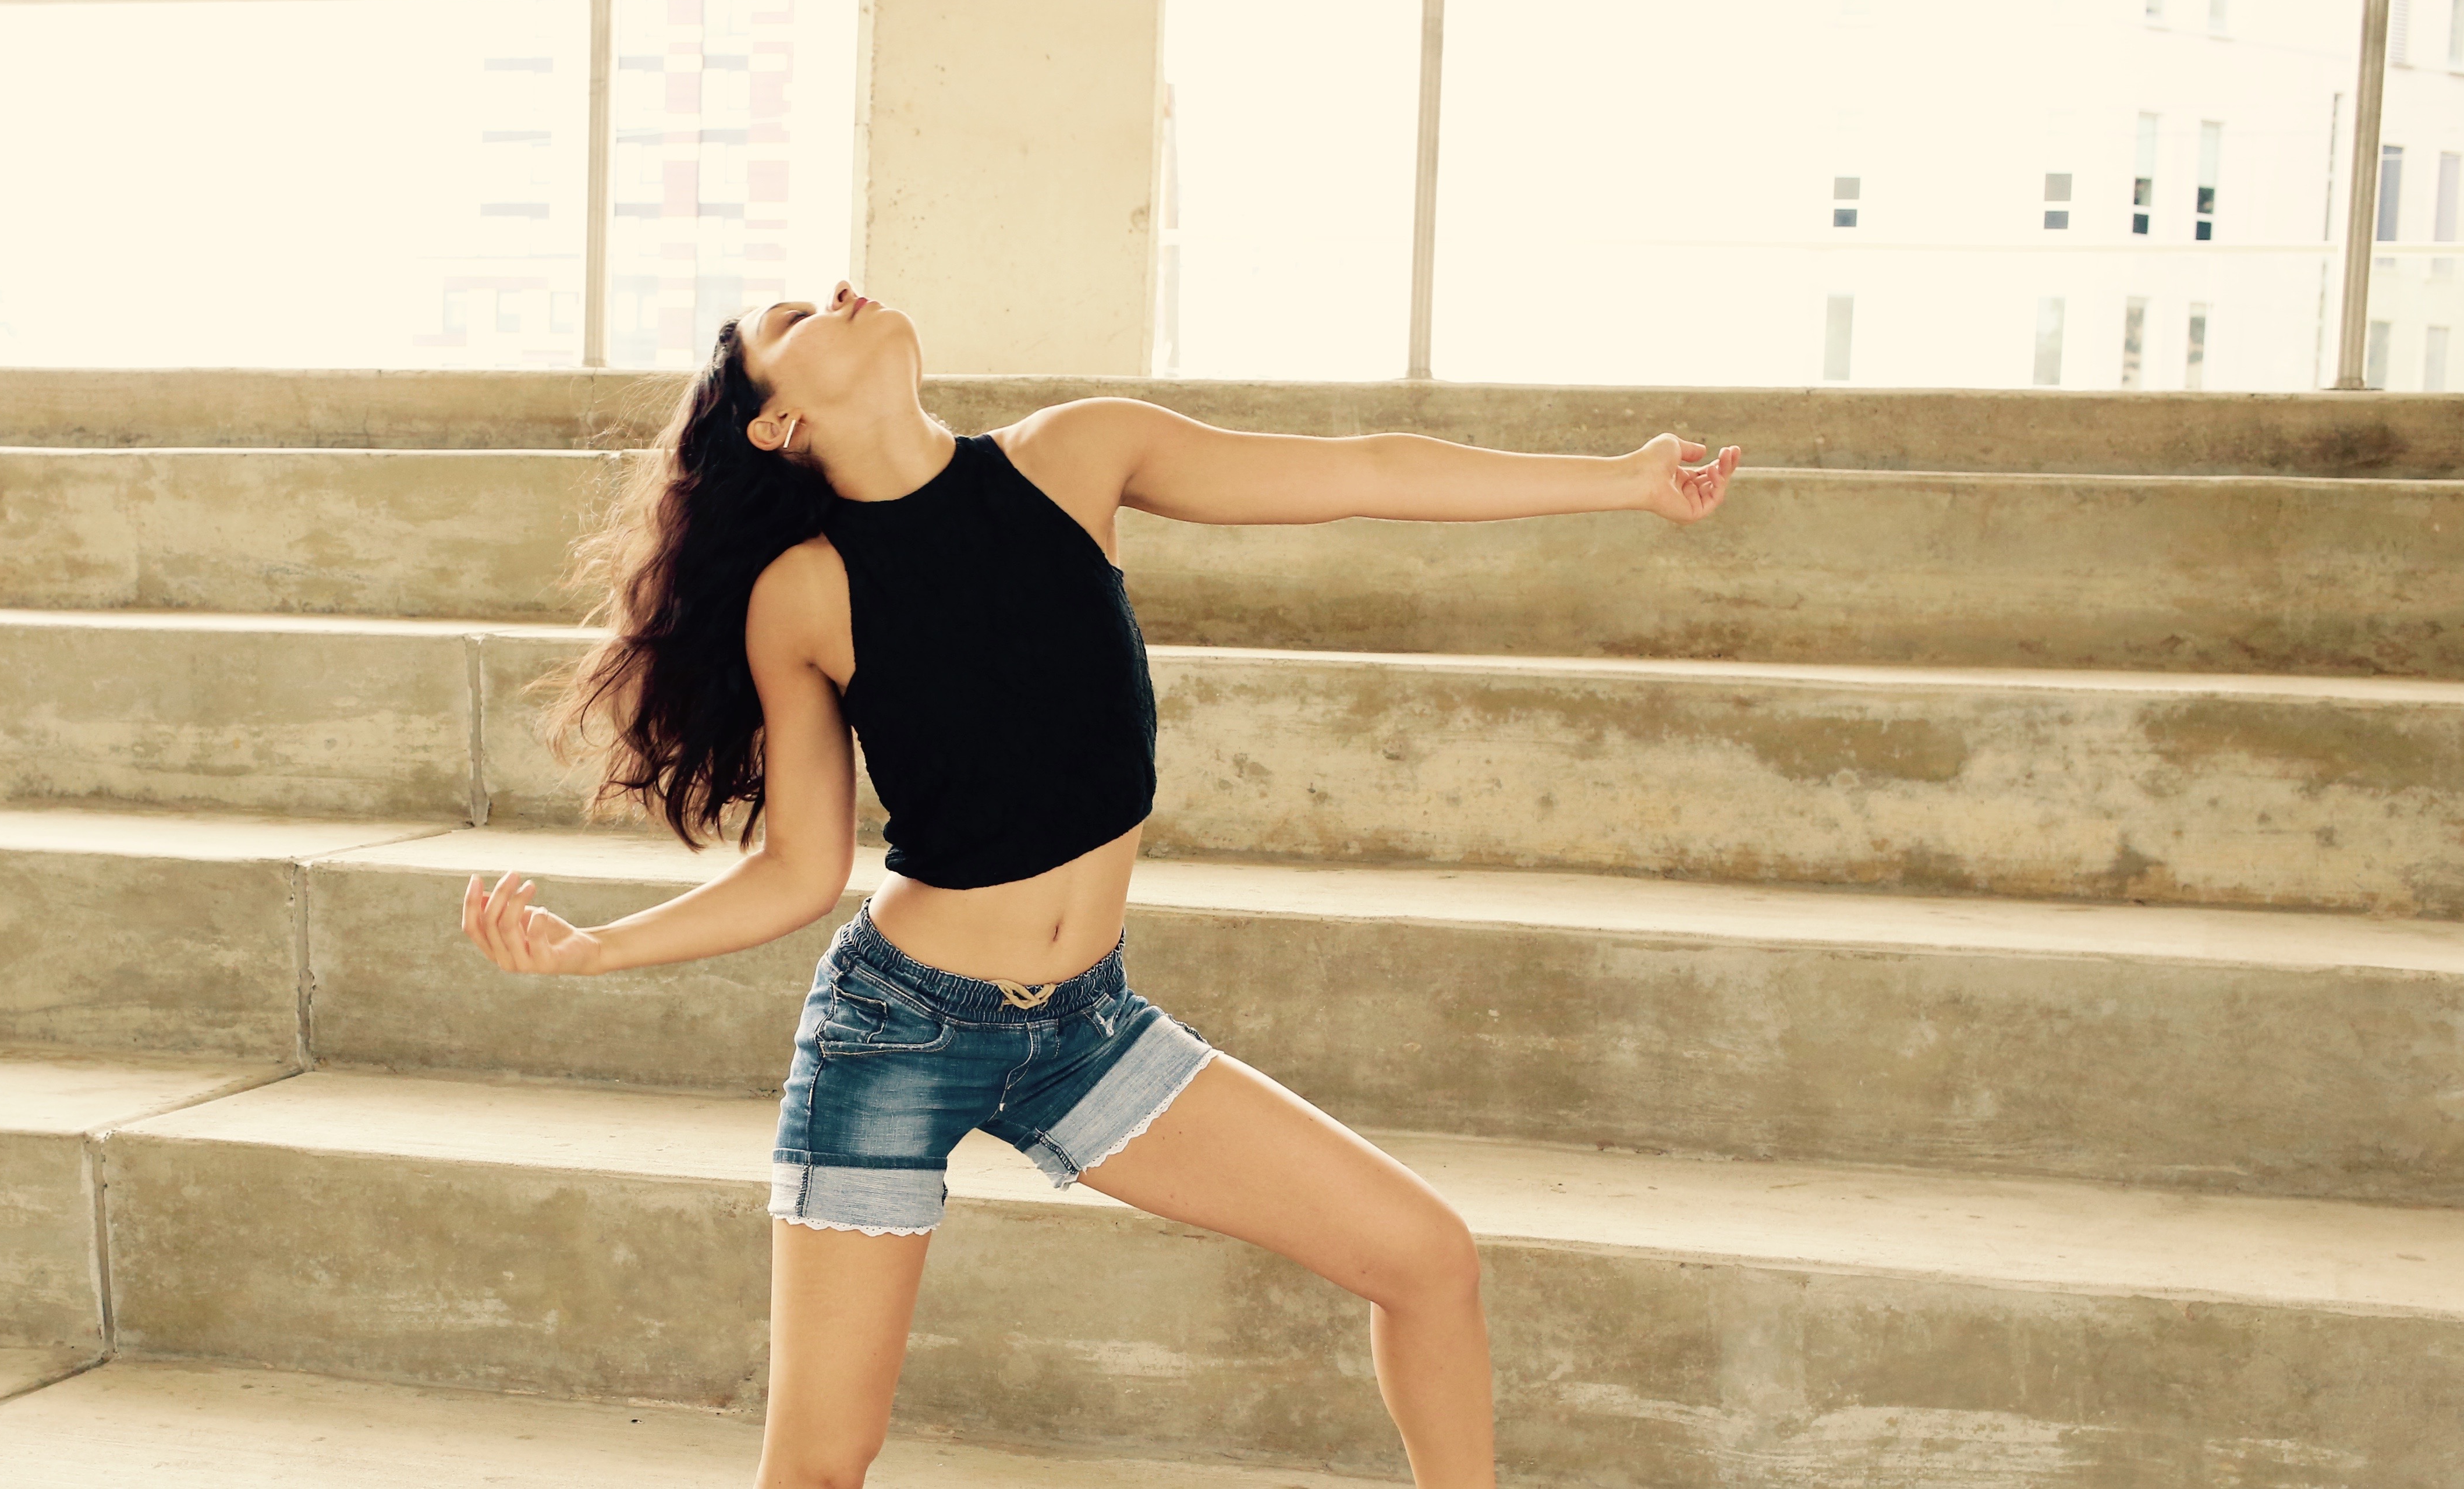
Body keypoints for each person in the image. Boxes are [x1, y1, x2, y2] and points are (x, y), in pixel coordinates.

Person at [459, 280, 1740, 1489]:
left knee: (1426, 1258)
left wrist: (1624, 482)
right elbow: (805, 866)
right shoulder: (807, 593)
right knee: (818, 1465)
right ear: (779, 421)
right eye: (793, 317)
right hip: (896, 1034)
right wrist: (597, 950)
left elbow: (1367, 468)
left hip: (1086, 1030)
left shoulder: (1077, 456)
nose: (840, 290)